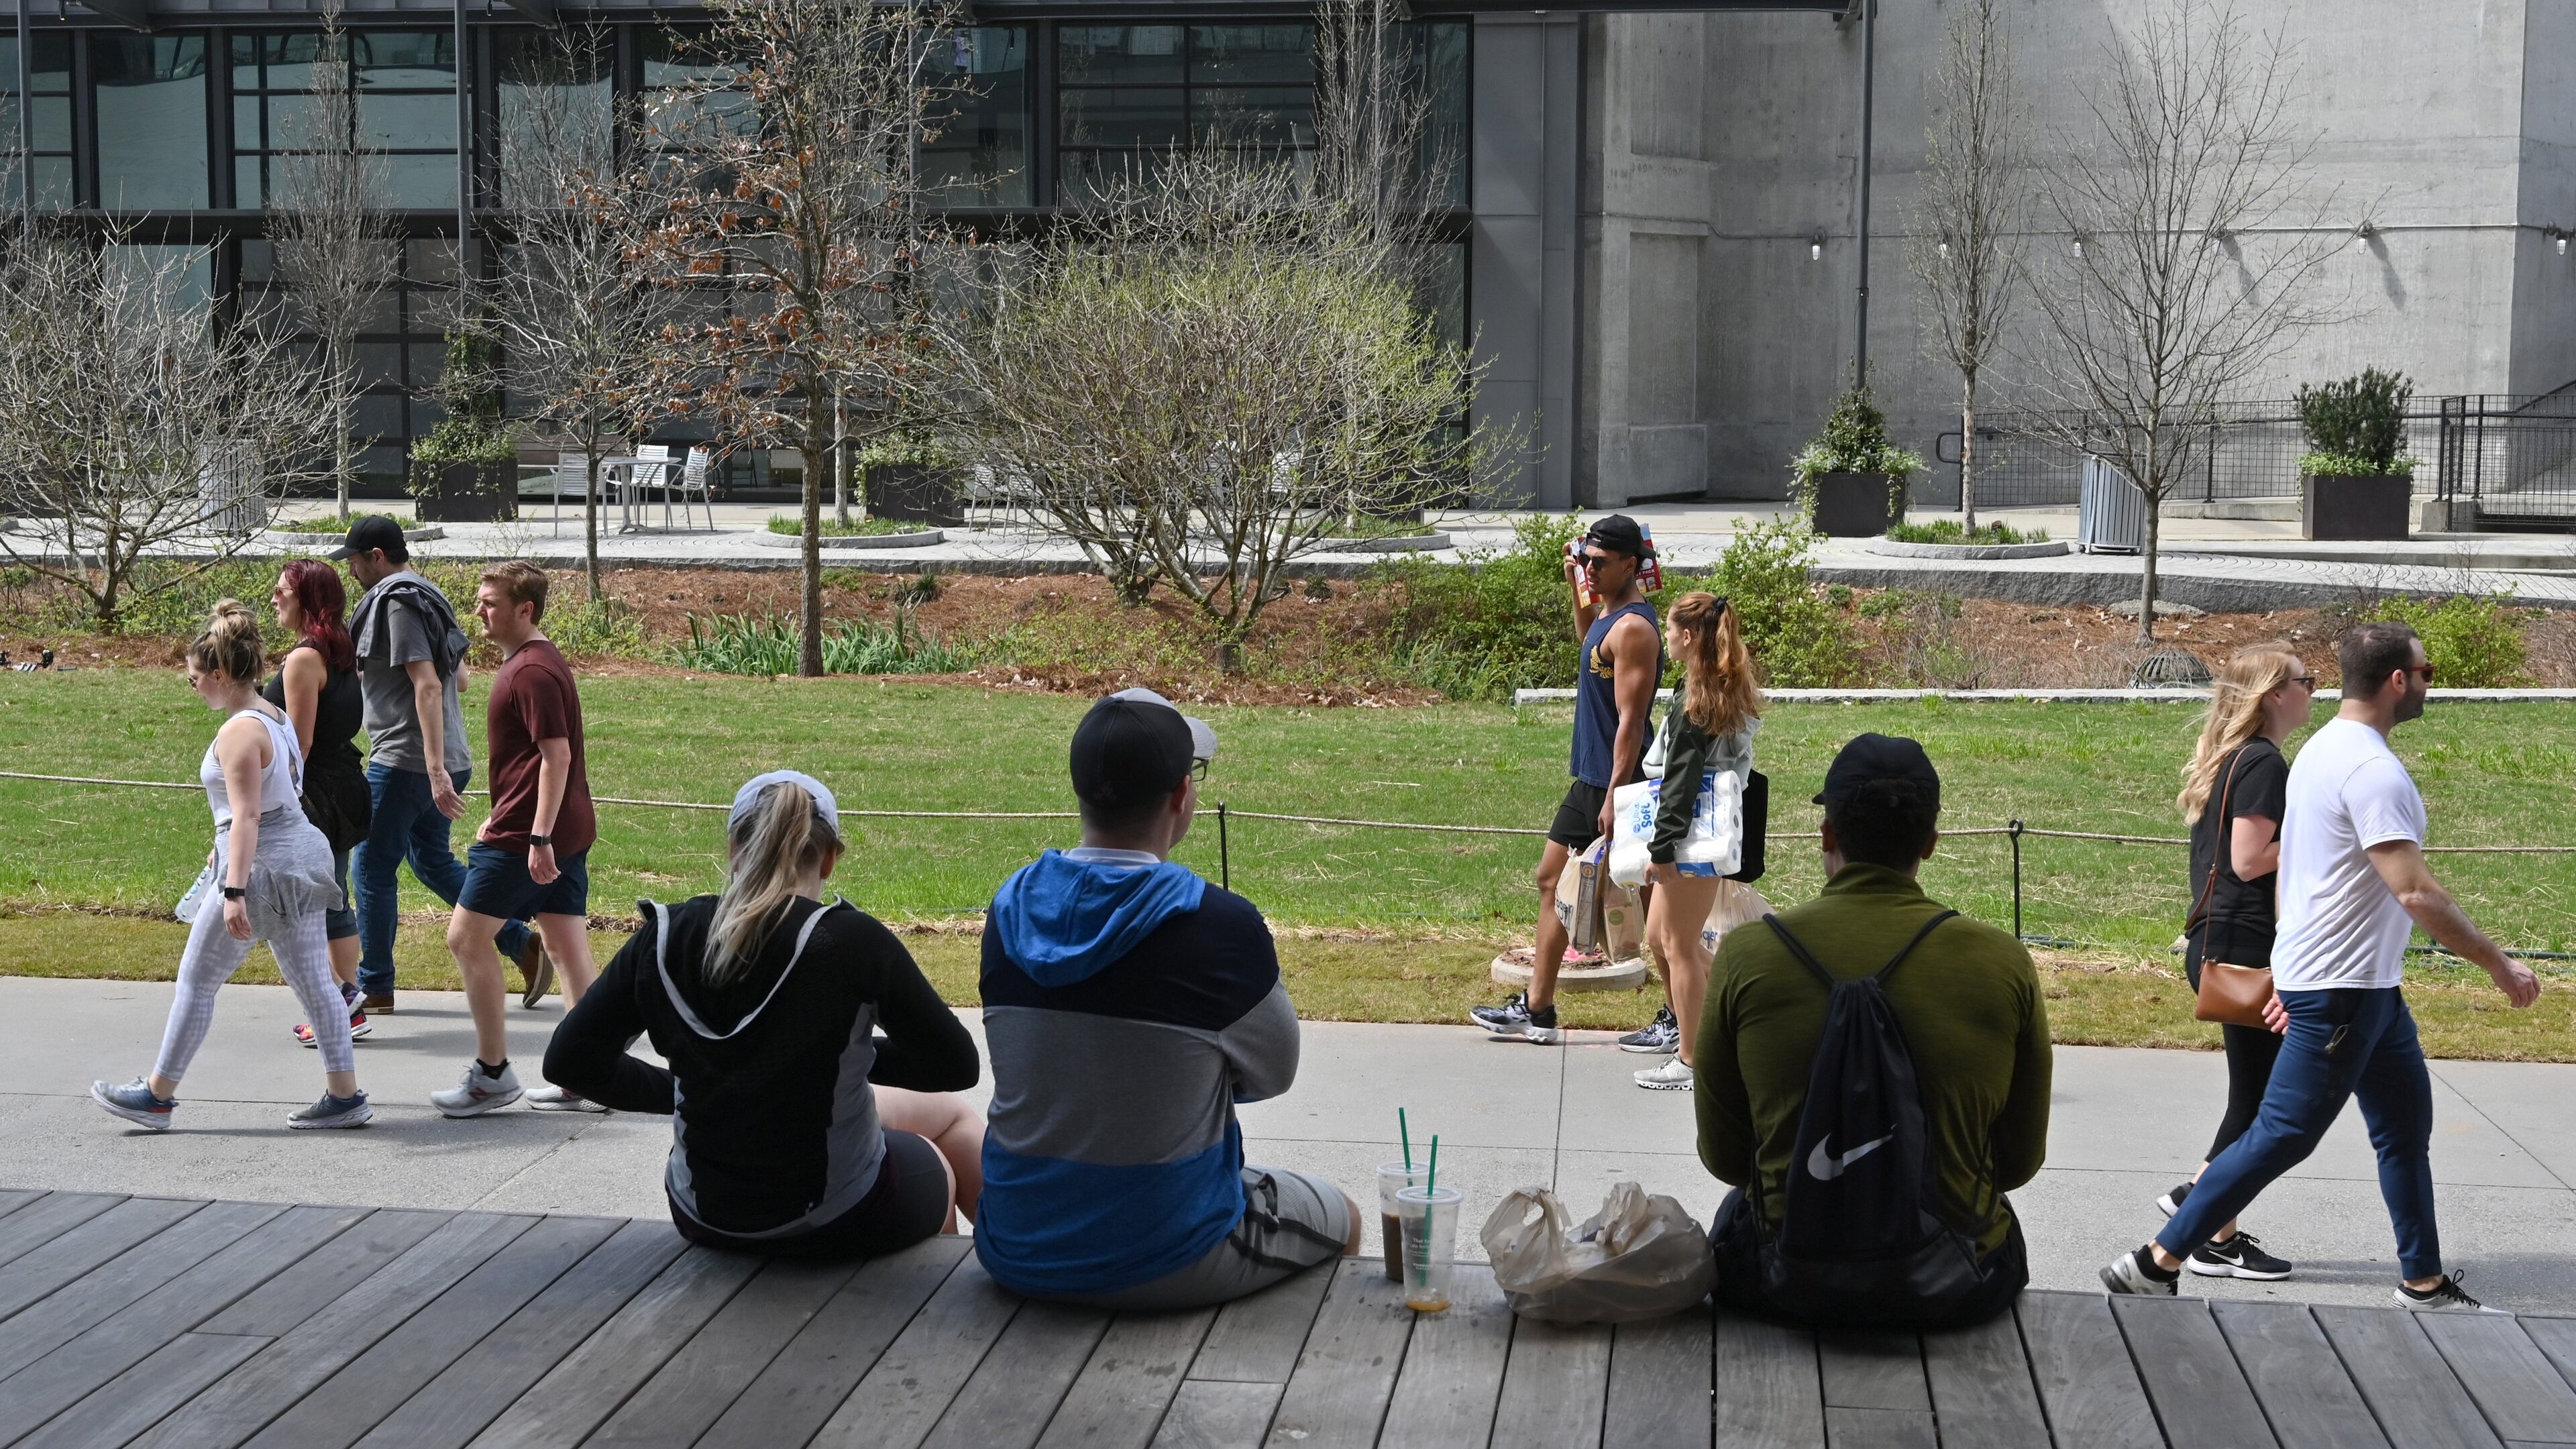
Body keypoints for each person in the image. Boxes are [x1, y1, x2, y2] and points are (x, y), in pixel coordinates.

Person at [2105, 621, 2539, 1311]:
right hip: (2341, 995)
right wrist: (2499, 965)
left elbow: (2302, 876)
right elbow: (2416, 891)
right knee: (2280, 1135)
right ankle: (2160, 1258)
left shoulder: (2317, 753)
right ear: (2398, 681)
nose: (2430, 684)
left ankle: (2422, 1281)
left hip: (2365, 989)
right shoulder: (2371, 772)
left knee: (2404, 1130)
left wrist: (2286, 968)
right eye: (2426, 673)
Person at [975, 688, 1359, 1308]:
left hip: (1014, 1248)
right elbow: (1273, 1074)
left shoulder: (1009, 907)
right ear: (1182, 795)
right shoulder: (1219, 925)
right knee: (1345, 1216)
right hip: (1167, 1253)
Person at [545, 771, 983, 1254]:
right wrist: (838, 1059)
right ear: (832, 859)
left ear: (734, 847)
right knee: (937, 1157)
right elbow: (955, 1064)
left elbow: (571, 1062)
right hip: (837, 1216)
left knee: (923, 1123)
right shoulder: (851, 941)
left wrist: (698, 1087)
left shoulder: (665, 934)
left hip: (704, 1216)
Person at [1699, 734, 2050, 1325]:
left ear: (1828, 834)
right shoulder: (2003, 961)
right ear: (1932, 843)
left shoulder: (1747, 956)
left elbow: (1728, 1158)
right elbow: (2017, 1163)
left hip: (1786, 1278)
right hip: (1955, 1283)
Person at [89, 602, 372, 1132]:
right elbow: (274, 799)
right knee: (315, 981)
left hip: (264, 868)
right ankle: (345, 1096)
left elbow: (247, 817)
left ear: (220, 674)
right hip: (298, 857)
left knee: (197, 980)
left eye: (196, 677)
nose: (192, 685)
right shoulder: (275, 715)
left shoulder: (238, 733)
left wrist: (235, 889)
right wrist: (225, 847)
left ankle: (156, 1096)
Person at [333, 516, 547, 1016]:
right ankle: (519, 942)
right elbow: (462, 680)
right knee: (429, 857)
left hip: (408, 761)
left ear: (378, 557)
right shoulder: (430, 595)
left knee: (371, 866)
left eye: (357, 562)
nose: (353, 573)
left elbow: (429, 685)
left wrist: (433, 772)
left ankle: (375, 986)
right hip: (447, 754)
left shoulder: (398, 602)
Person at [2151, 644, 2314, 1281]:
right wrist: (2327, 835)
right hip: (2244, 951)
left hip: (2221, 944)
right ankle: (2196, 1207)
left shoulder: (2233, 759)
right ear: (2275, 694)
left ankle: (2215, 1235)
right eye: (2306, 680)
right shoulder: (2265, 764)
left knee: (2255, 1096)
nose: (2314, 688)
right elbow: (2249, 860)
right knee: (2266, 1103)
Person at [1472, 515, 1662, 1045]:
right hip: (1593, 779)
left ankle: (1681, 1015)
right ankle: (1539, 1008)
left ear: (1631, 563)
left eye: (1599, 563)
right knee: (1551, 881)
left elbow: (1631, 719)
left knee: (1652, 905)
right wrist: (1573, 585)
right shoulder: (1607, 615)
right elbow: (1588, 651)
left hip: (1615, 783)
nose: (1591, 570)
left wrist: (1612, 794)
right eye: (1586, 561)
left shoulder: (1635, 629)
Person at [433, 563, 604, 1116]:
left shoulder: (531, 671)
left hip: (532, 837)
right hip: (552, 828)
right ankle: (590, 1075)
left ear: (524, 609)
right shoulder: (537, 662)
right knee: (567, 949)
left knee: (466, 938)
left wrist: (537, 836)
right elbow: (534, 762)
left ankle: (492, 1075)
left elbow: (557, 757)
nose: (479, 611)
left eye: (490, 603)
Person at [1632, 591, 1761, 1091]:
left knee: (1679, 944)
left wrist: (1661, 851)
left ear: (1688, 637)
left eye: (1669, 631)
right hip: (1708, 836)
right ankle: (1724, 1018)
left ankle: (1691, 1060)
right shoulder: (1721, 691)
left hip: (1688, 841)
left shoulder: (1695, 705)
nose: (1665, 639)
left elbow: (1681, 785)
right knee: (1659, 940)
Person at [266, 560, 375, 1050]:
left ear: (308, 601)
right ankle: (344, 1005)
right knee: (333, 895)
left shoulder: (304, 659)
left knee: (308, 901)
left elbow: (301, 743)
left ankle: (341, 998)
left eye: (283, 591)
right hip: (344, 784)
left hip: (319, 794)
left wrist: (283, 800)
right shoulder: (340, 649)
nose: (274, 597)